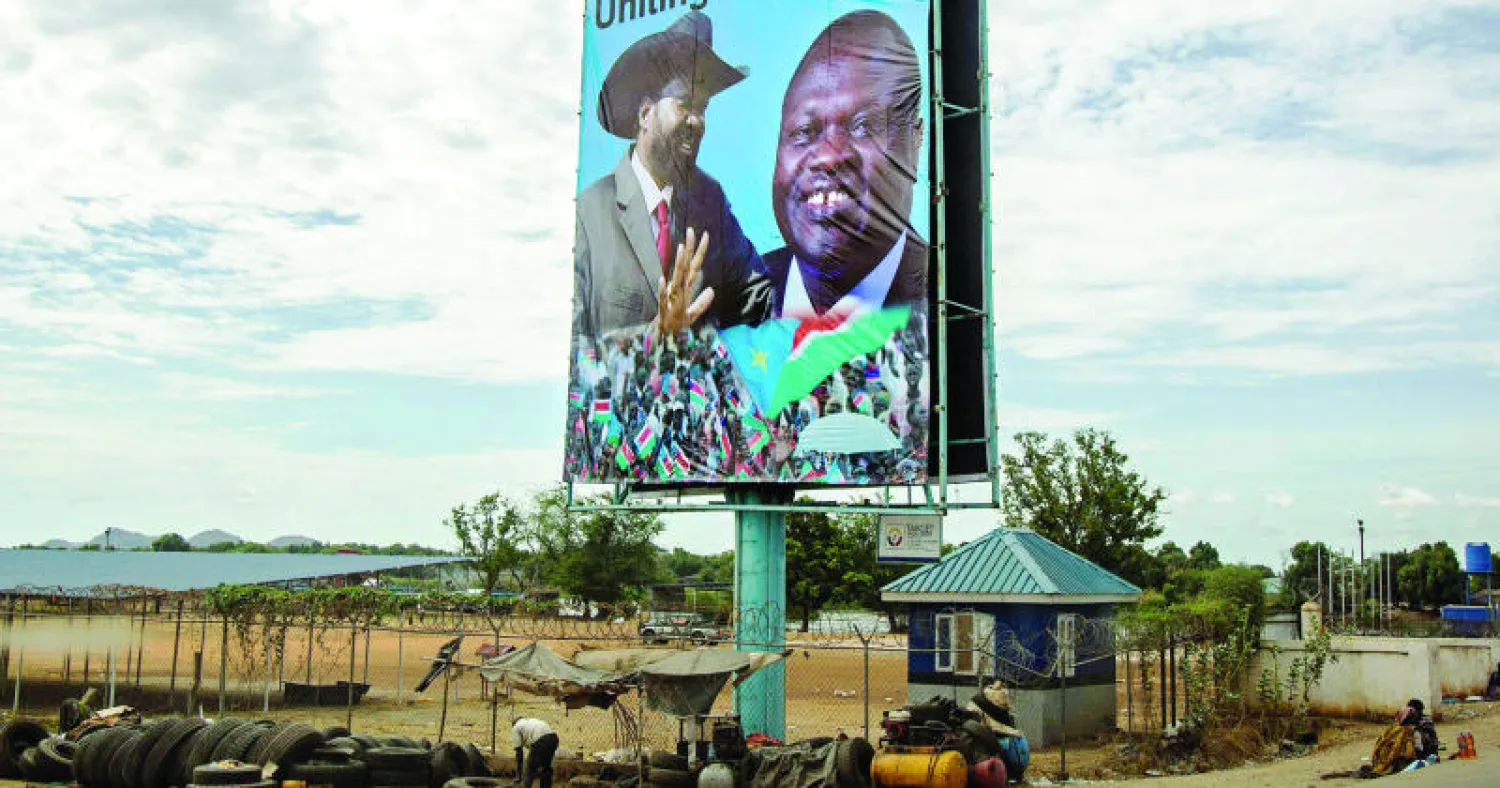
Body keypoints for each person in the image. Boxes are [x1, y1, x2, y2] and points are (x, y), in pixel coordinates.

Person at [573, 10, 774, 343]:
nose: (696, 121)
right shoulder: (590, 214)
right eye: (684, 104)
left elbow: (759, 300)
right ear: (644, 114)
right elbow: (578, 352)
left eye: (703, 108)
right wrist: (657, 337)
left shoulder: (710, 201)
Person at [765, 10, 929, 320]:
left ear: (915, 140)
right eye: (803, 132)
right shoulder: (726, 303)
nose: (827, 156)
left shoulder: (951, 297)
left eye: (863, 127)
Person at [511, 716, 559, 788]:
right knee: (545, 767)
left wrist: (519, 775)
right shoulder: (531, 721)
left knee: (529, 769)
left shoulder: (516, 727)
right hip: (553, 738)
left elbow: (519, 753)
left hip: (541, 741)